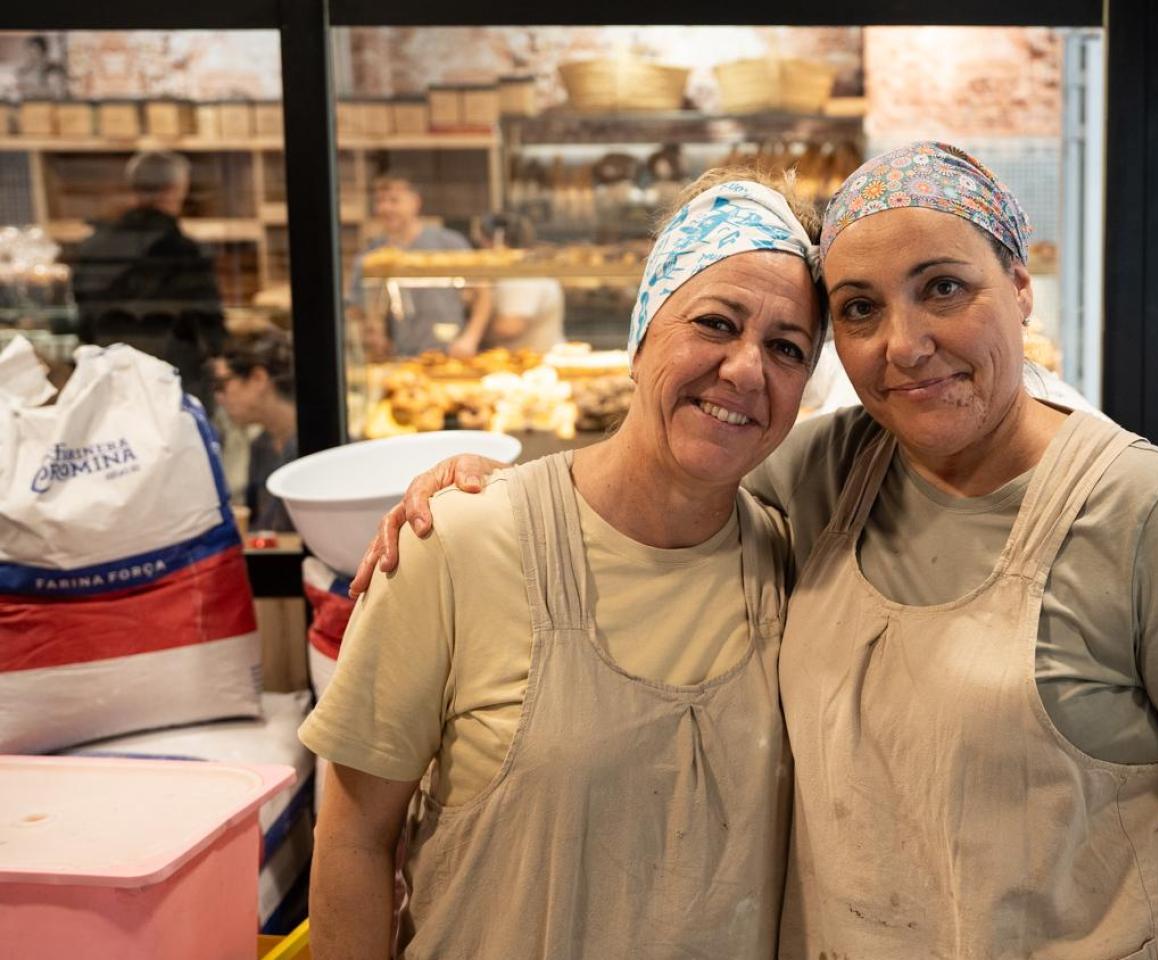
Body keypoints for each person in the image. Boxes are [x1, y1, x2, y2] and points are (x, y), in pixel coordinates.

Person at [353, 142, 1158, 960]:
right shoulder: (826, 473)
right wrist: (487, 483)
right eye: (858, 309)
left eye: (944, 288)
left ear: (1020, 291)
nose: (904, 344)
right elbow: (663, 481)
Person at [300, 170, 823, 959]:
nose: (747, 369)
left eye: (786, 349)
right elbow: (351, 845)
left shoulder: (799, 570)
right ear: (642, 333)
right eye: (715, 323)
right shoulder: (461, 543)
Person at [70, 150, 225, 412]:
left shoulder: (93, 247)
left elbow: (84, 321)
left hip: (110, 381)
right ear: (177, 189)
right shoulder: (184, 251)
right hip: (173, 382)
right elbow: (209, 323)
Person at [344, 174, 486, 359]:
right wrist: (371, 330)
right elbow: (356, 308)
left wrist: (470, 338)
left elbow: (483, 294)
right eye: (380, 201)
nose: (386, 208)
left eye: (394, 201)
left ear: (415, 203)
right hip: (398, 358)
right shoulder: (371, 257)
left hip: (450, 353)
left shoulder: (449, 242)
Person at [209, 328, 297, 533]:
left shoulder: (313, 445)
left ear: (258, 378)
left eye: (223, 385)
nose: (218, 397)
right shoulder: (261, 445)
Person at [449, 212, 563, 358]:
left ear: (494, 241)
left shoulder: (520, 274)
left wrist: (475, 325)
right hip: (520, 365)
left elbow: (509, 328)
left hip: (535, 367)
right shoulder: (513, 271)